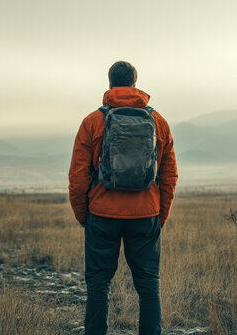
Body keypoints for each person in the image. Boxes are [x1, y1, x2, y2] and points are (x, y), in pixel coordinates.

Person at [68, 61, 178, 335]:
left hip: (102, 214)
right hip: (145, 214)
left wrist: (84, 215)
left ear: (109, 84)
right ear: (135, 82)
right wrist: (160, 215)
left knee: (98, 283)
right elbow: (169, 175)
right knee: (148, 282)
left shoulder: (92, 122)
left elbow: (78, 176)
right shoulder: (158, 121)